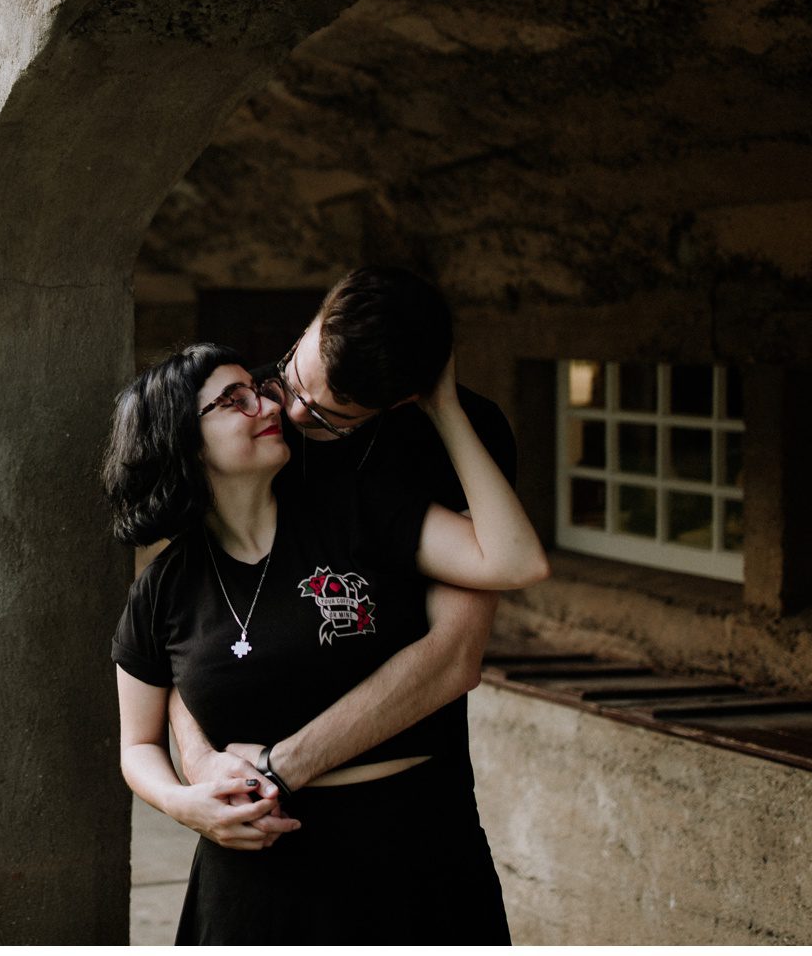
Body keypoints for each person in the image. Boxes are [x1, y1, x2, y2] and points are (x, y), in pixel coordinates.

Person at [106, 332, 546, 943]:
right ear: (182, 442)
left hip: (408, 859)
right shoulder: (162, 589)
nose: (267, 405)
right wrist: (186, 804)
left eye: (256, 388)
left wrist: (443, 406)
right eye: (233, 400)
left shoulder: (360, 512)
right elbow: (138, 745)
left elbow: (513, 561)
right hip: (254, 884)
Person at [169, 266, 523, 866]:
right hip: (253, 809)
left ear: (402, 400)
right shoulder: (252, 409)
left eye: (333, 416)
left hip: (406, 809)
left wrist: (285, 767)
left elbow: (456, 655)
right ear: (313, 323)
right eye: (295, 378)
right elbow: (190, 621)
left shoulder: (457, 438)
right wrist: (202, 765)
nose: (294, 415)